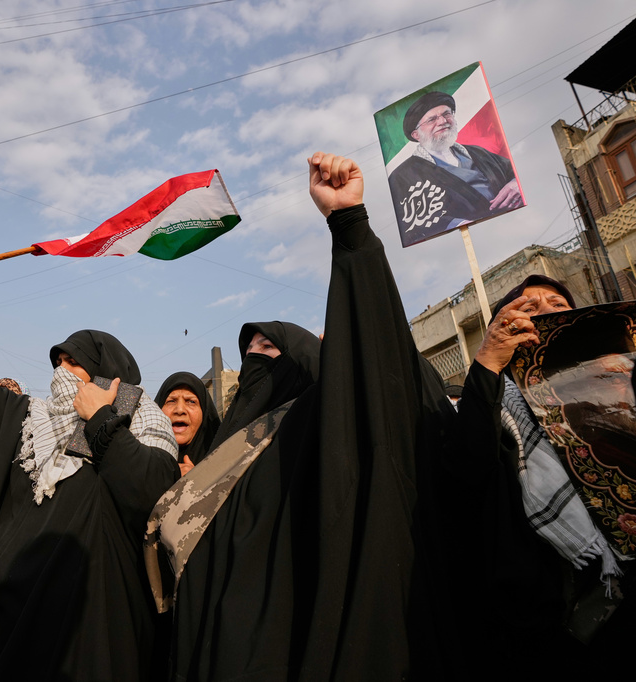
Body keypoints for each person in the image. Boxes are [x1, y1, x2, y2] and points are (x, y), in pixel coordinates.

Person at [147, 152, 471, 681]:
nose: (256, 364)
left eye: (270, 353)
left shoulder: (315, 428)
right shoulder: (224, 458)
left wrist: (348, 228)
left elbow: (379, 371)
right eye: (249, 355)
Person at [0, 260, 179, 681]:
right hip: (17, 611)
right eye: (58, 360)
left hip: (96, 614)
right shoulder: (34, 418)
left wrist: (102, 418)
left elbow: (153, 490)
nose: (62, 371)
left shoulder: (138, 410)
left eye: (75, 361)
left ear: (106, 368)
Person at [457, 274, 632, 677]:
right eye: (528, 308)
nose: (546, 311)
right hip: (576, 588)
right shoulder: (498, 398)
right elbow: (469, 467)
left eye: (557, 303)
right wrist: (487, 365)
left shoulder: (624, 369)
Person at [389, 91, 521, 242]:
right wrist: (459, 225)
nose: (442, 121)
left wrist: (514, 183)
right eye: (432, 119)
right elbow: (414, 223)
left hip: (512, 224)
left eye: (446, 114)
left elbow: (512, 170)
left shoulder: (477, 152)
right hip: (470, 239)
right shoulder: (402, 175)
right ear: (416, 135)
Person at [154, 371, 221, 475]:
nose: (180, 410)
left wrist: (196, 482)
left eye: (191, 401)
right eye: (171, 401)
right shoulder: (139, 461)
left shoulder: (225, 462)